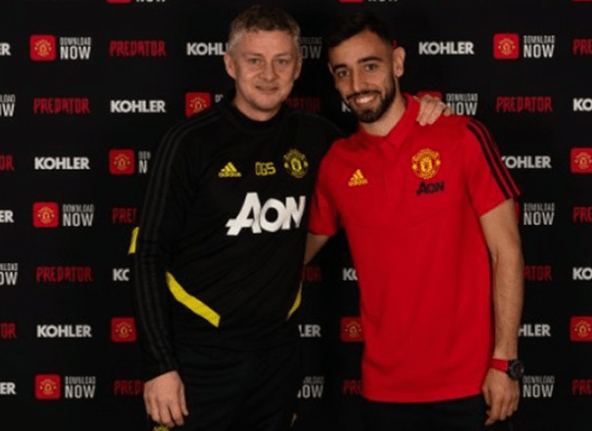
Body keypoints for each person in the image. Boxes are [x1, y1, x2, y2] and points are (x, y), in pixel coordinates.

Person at [130, 5, 449, 431]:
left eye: (282, 61)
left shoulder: (318, 138)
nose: (268, 74)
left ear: (298, 67)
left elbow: (381, 142)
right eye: (254, 60)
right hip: (197, 360)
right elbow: (148, 254)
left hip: (277, 360)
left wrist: (427, 113)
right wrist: (159, 366)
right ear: (230, 64)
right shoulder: (188, 142)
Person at [305, 12, 525, 431]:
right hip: (384, 392)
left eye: (370, 66)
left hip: (472, 385)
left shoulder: (461, 136)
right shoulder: (336, 164)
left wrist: (504, 362)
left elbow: (507, 253)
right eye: (343, 72)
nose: (357, 85)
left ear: (398, 62)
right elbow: (292, 252)